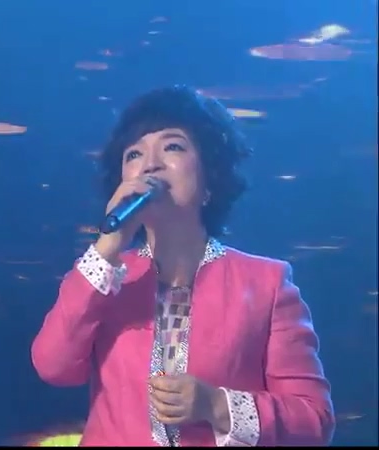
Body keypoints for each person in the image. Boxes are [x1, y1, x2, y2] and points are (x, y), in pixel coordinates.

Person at [31, 85, 334, 447]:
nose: (150, 164)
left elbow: (313, 420)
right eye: (134, 154)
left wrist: (216, 405)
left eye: (172, 146)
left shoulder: (267, 284)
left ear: (210, 179)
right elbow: (54, 366)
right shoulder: (101, 276)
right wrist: (108, 244)